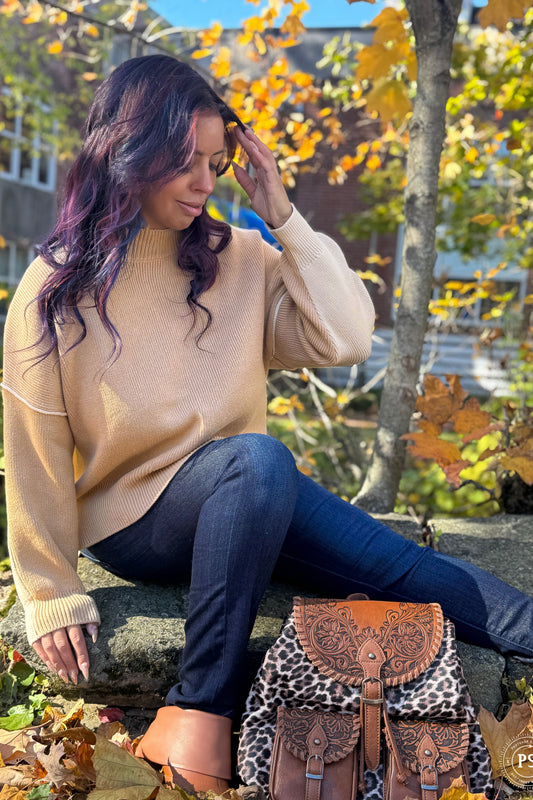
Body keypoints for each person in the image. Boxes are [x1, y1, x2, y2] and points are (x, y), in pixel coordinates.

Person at [2, 54, 533, 795]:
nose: (204, 183)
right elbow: (34, 448)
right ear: (129, 152)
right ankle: (197, 713)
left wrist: (281, 213)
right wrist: (49, 587)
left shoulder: (237, 258)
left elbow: (345, 339)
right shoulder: (56, 283)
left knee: (401, 569)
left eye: (217, 164)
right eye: (185, 163)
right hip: (142, 524)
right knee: (255, 460)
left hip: (249, 498)